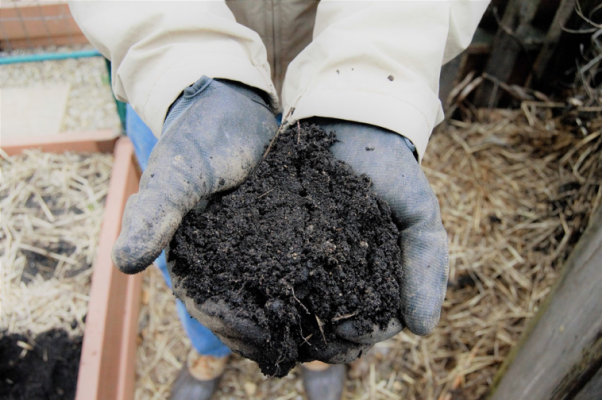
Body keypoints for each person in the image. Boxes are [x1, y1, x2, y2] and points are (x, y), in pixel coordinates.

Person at [70, 1, 489, 399]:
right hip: (185, 101)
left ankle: (318, 347)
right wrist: (182, 66)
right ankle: (207, 351)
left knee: (321, 312)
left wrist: (370, 88)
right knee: (175, 238)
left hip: (333, 76)